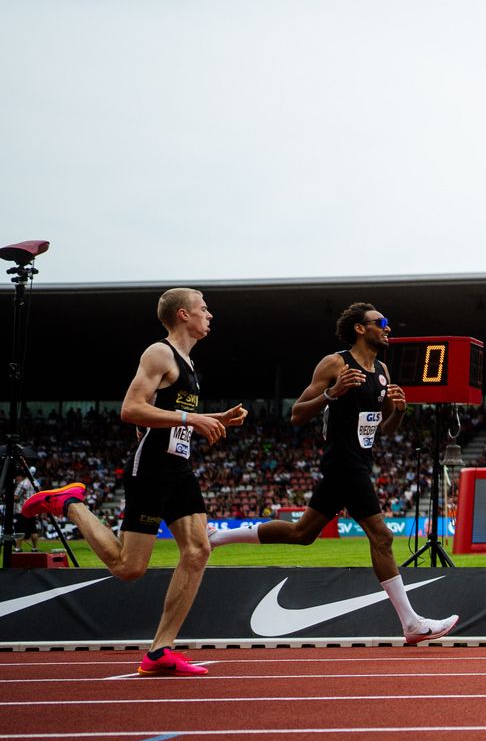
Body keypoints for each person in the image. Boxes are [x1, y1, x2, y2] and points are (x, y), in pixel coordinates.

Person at [22, 288, 247, 675]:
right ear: (182, 314)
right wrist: (192, 419)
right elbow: (131, 409)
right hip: (153, 469)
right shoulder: (159, 353)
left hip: (179, 467)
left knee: (198, 551)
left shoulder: (190, 364)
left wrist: (214, 418)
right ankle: (69, 503)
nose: (210, 315)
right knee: (129, 568)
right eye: (203, 309)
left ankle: (160, 651)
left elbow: (168, 411)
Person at [208, 303, 457, 644]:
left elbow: (383, 428)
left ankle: (218, 537)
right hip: (343, 462)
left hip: (359, 462)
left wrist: (399, 411)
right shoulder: (336, 363)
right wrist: (332, 392)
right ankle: (412, 624)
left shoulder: (382, 370)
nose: (388, 328)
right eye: (380, 322)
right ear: (359, 328)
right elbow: (296, 414)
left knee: (303, 533)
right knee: (382, 536)